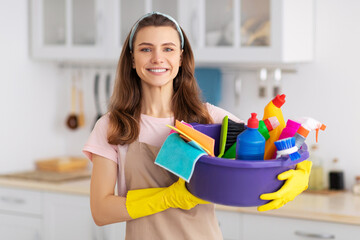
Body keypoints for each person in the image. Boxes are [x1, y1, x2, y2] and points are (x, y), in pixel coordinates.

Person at [83, 12, 312, 240]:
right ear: (132, 59)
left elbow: (269, 147)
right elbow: (101, 211)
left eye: (168, 49)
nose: (157, 58)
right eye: (146, 49)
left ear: (181, 58)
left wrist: (302, 172)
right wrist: (167, 197)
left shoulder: (208, 117)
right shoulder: (113, 126)